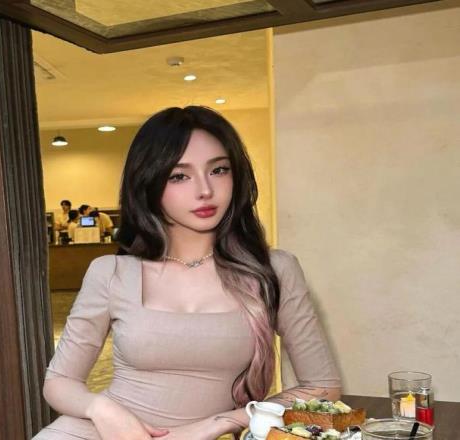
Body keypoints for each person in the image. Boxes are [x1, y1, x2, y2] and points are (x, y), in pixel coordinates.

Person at [34, 106, 341, 440]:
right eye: (179, 176)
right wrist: (104, 410)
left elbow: (322, 388)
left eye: (219, 170)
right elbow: (59, 381)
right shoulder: (111, 272)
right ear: (149, 183)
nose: (204, 190)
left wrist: (219, 422)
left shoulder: (274, 270)